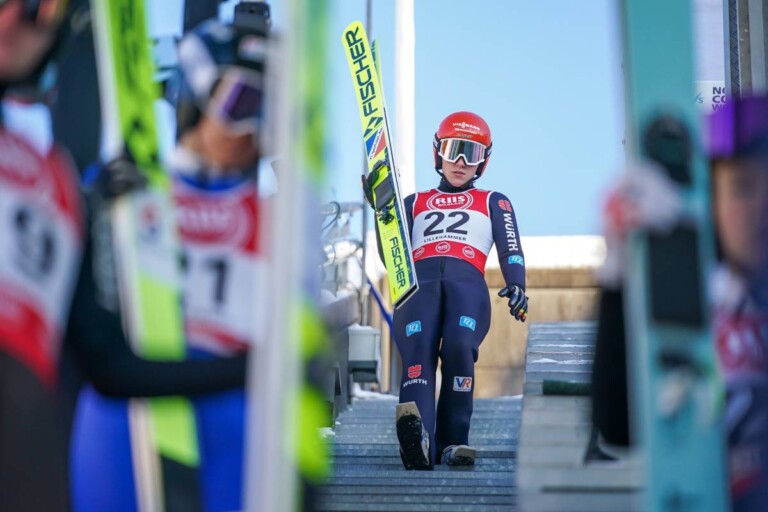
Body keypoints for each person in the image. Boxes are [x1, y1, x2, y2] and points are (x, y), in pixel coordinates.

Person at [0, 2, 247, 512]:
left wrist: (256, 370)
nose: (11, 20)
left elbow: (110, 367)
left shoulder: (56, 185)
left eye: (38, 8)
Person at [71, 18, 267, 512]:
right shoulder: (126, 196)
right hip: (131, 412)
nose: (254, 131)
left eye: (274, 111)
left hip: (230, 417)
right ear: (194, 97)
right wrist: (89, 211)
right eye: (243, 102)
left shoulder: (275, 217)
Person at [589, 95, 768, 511]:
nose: (760, 209)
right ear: (711, 199)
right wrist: (619, 276)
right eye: (741, 188)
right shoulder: (703, 302)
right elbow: (619, 427)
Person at [365, 111, 528, 470]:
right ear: (437, 153)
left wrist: (517, 283)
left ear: (483, 161)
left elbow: (510, 245)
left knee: (458, 346)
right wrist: (382, 214)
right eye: (453, 150)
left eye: (470, 153)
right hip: (419, 289)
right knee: (418, 354)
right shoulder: (413, 202)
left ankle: (453, 443)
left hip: (466, 286)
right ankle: (417, 438)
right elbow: (392, 256)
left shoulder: (493, 200)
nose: (459, 162)